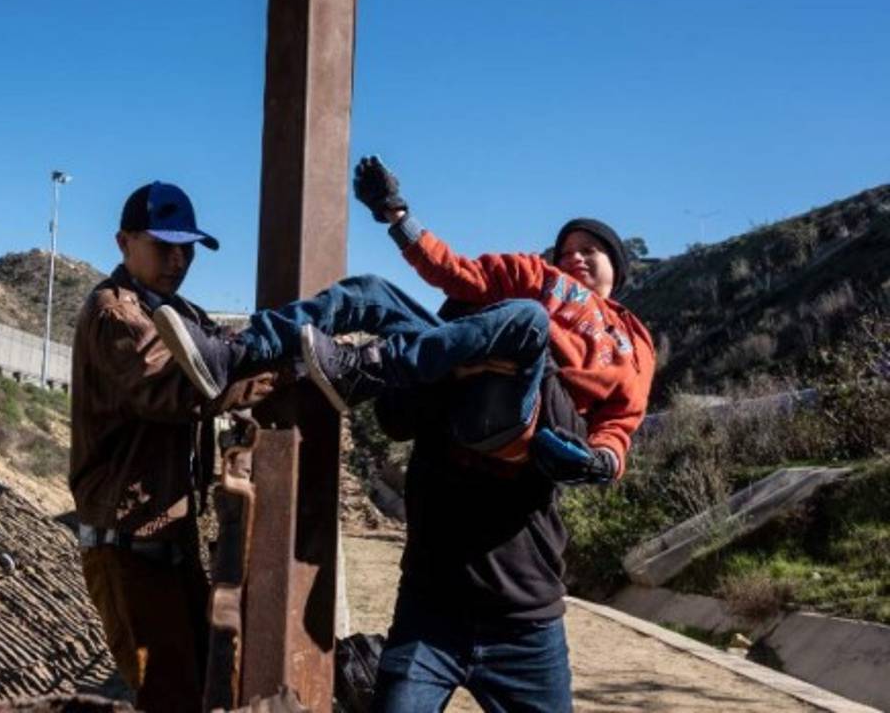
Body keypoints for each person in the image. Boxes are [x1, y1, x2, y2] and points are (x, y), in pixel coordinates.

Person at [155, 157, 656, 711]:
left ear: (619, 270)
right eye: (566, 249)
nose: (575, 257)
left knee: (527, 322)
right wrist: (398, 217)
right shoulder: (535, 282)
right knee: (371, 290)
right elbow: (456, 272)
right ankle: (237, 351)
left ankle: (363, 366)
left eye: (592, 249)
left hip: (537, 420)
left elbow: (621, 421)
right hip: (434, 599)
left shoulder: (631, 341)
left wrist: (604, 461)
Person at [68, 181, 276, 713]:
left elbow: (223, 352)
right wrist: (272, 380)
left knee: (204, 682)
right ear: (123, 242)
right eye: (164, 245)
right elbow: (179, 391)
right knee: (169, 696)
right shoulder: (116, 316)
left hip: (169, 540)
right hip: (128, 545)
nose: (178, 258)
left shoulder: (178, 310)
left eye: (186, 248)